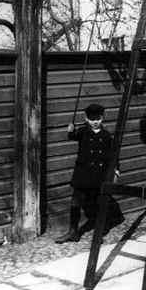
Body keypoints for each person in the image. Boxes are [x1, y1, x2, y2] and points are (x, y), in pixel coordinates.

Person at [55, 103, 124, 243]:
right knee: (76, 201)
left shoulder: (106, 136)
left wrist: (116, 170)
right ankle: (73, 232)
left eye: (98, 119)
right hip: (83, 174)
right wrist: (70, 131)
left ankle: (99, 233)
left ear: (102, 118)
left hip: (99, 175)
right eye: (92, 119)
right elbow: (73, 136)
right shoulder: (83, 132)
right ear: (86, 119)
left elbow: (113, 155)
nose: (95, 122)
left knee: (99, 203)